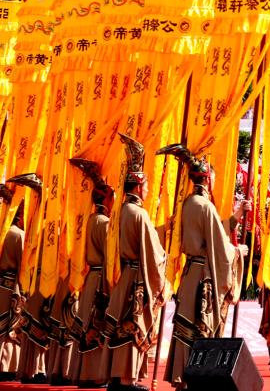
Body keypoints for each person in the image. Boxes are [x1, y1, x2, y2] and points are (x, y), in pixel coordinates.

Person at [158, 144, 247, 388]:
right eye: (213, 178)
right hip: (202, 279)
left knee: (185, 328)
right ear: (207, 179)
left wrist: (236, 217)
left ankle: (182, 378)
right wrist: (237, 252)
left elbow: (212, 232)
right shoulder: (205, 206)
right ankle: (198, 380)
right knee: (200, 328)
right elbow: (219, 246)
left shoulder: (189, 203)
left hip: (191, 274)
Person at [105, 134, 167, 391]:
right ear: (139, 186)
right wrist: (164, 266)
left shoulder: (122, 211)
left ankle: (118, 378)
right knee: (132, 327)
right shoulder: (138, 213)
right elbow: (153, 253)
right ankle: (127, 379)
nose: (149, 190)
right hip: (136, 280)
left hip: (126, 276)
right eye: (148, 186)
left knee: (123, 327)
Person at [66, 159, 112, 389]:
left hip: (90, 277)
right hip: (100, 279)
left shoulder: (91, 220)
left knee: (87, 324)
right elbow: (110, 256)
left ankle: (82, 374)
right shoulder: (104, 223)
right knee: (97, 323)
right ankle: (94, 375)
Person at [0, 181, 29, 382]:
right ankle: (7, 366)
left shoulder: (4, 231)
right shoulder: (18, 235)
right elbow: (23, 267)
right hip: (12, 287)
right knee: (10, 326)